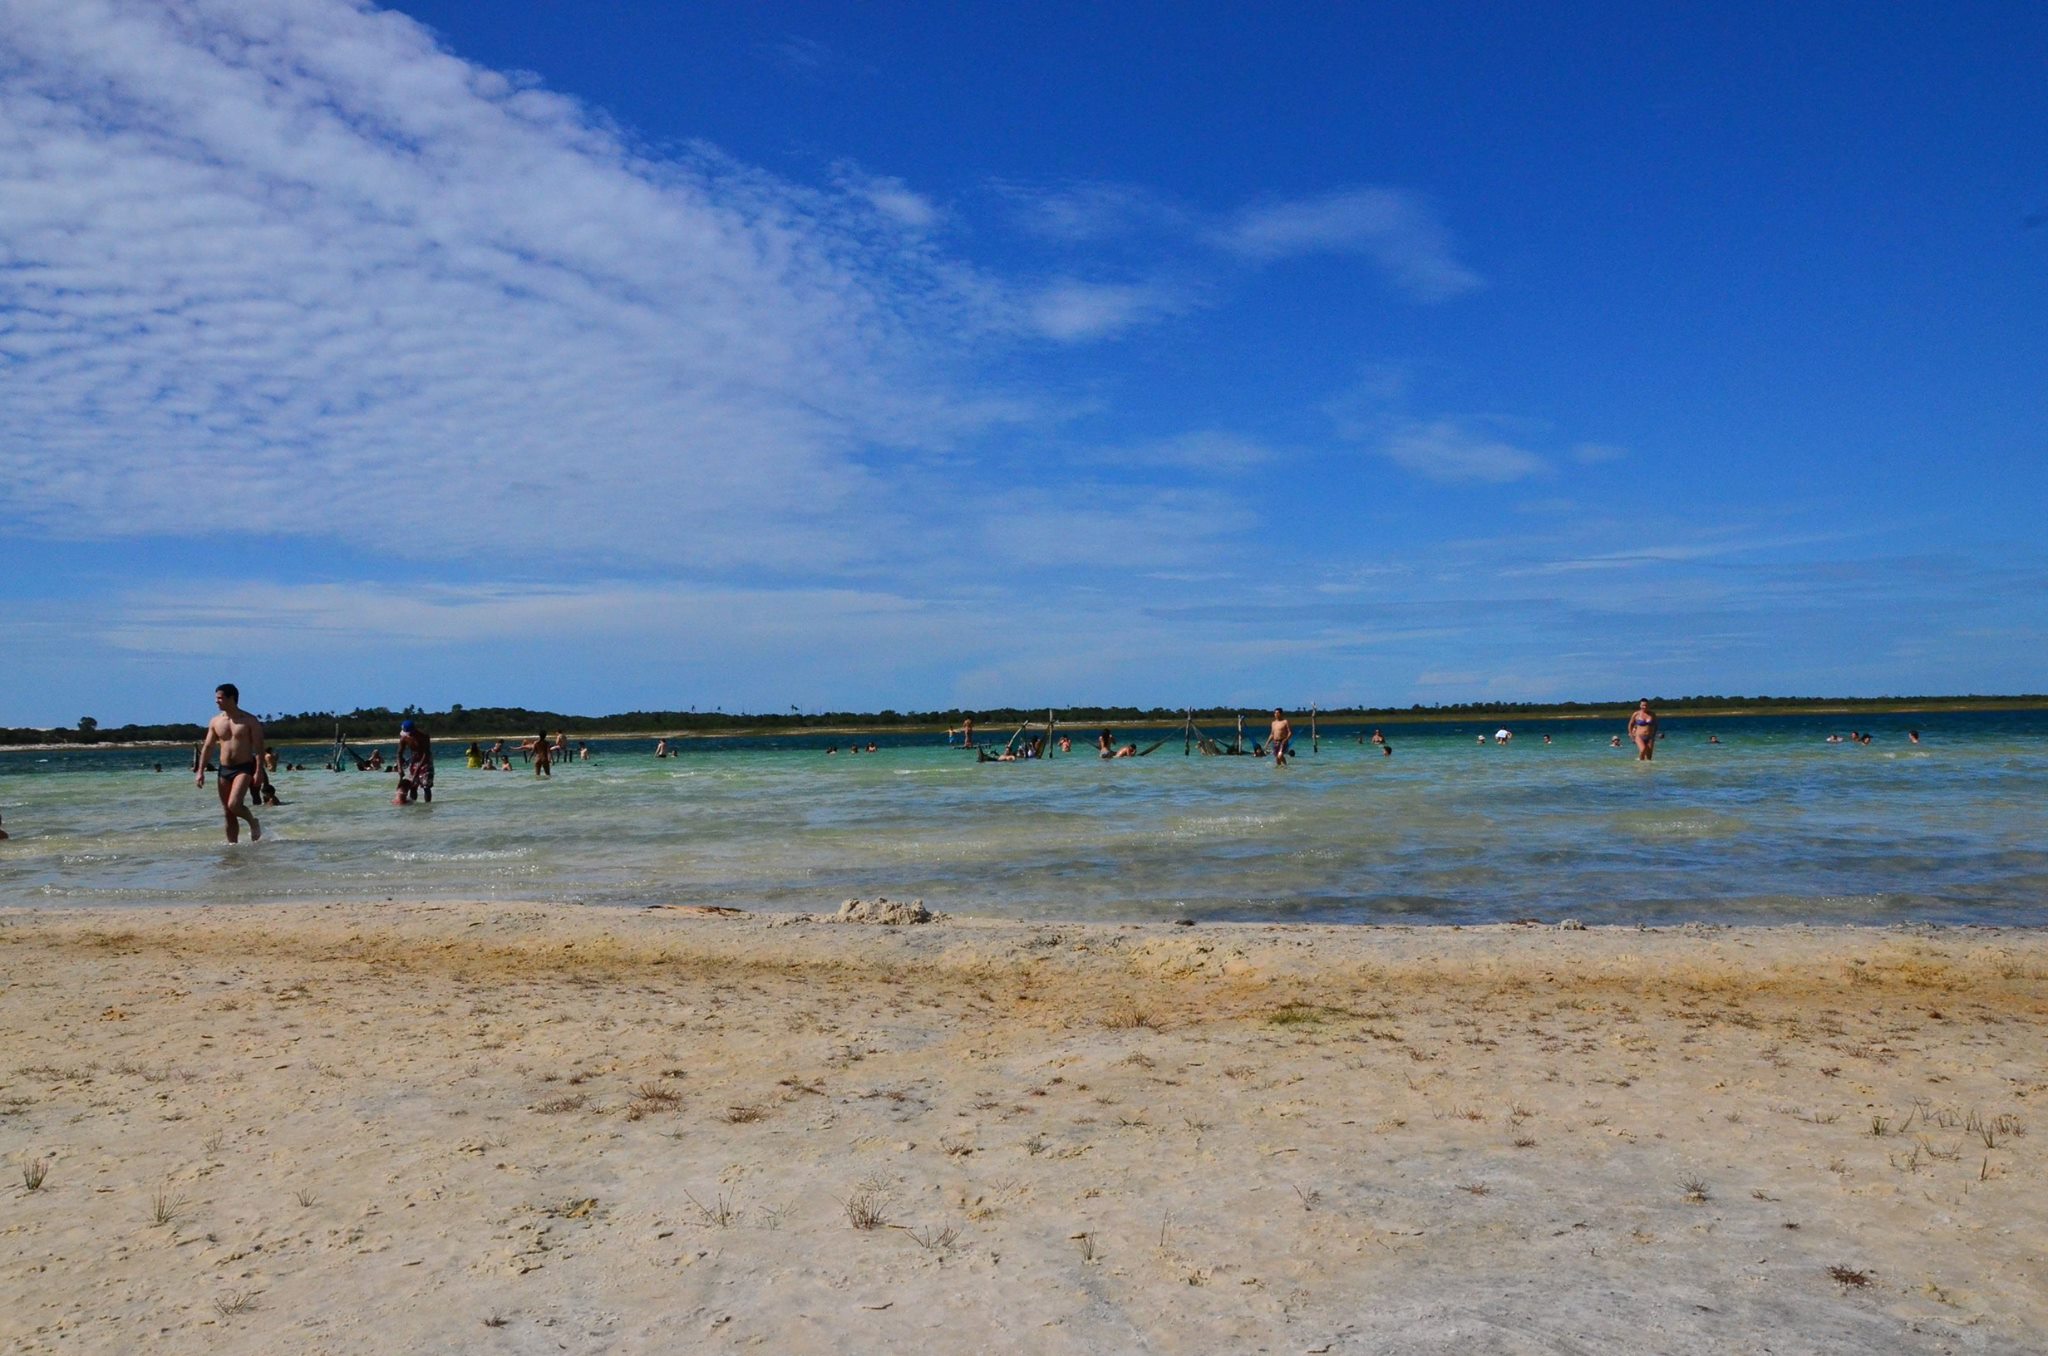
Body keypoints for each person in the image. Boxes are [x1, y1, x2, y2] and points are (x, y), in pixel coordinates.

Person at [197, 683, 265, 843]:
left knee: (234, 804)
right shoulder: (216, 721)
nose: (216, 701)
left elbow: (259, 747)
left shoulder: (249, 720)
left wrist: (259, 771)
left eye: (220, 698)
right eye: (216, 698)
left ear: (231, 698)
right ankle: (232, 847)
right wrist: (200, 771)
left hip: (244, 768)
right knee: (228, 812)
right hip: (224, 769)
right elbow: (208, 747)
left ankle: (253, 822)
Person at [397, 719, 434, 804]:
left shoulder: (424, 736)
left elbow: (426, 753)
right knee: (413, 786)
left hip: (426, 761)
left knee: (426, 786)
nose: (409, 735)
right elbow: (399, 753)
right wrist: (400, 768)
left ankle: (428, 806)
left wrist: (417, 771)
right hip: (414, 760)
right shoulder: (404, 738)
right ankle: (413, 806)